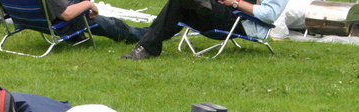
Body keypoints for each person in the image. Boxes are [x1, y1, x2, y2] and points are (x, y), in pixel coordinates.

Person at [122, 0, 288, 59]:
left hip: (240, 20)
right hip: (218, 12)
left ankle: (147, 47)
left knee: (181, 4)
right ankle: (147, 45)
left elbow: (270, 14)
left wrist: (235, 2)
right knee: (177, 3)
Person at [45, 0, 149, 43]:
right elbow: (67, 14)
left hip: (46, 20)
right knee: (114, 25)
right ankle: (150, 35)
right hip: (66, 23)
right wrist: (88, 4)